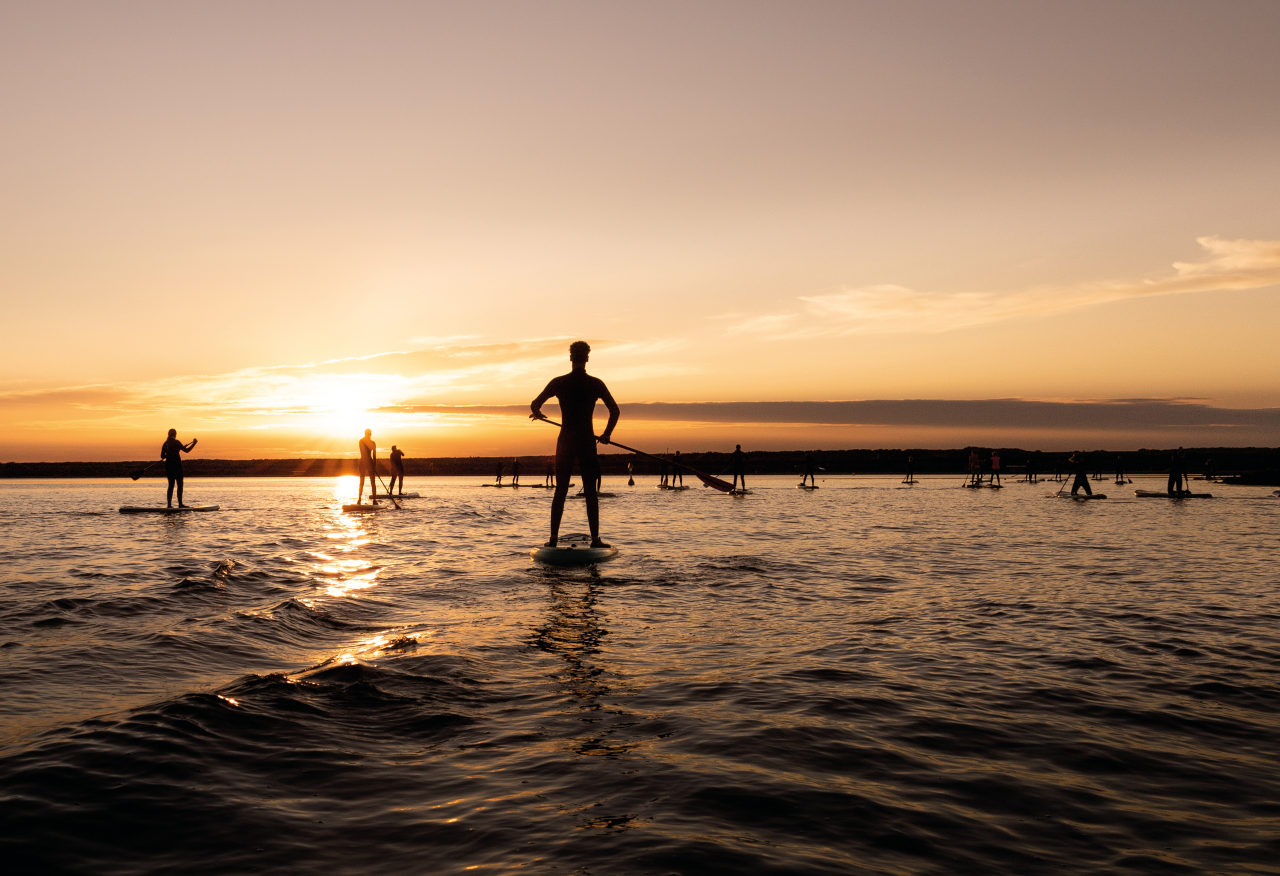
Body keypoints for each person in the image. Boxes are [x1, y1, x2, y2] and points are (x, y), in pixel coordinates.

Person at [530, 340, 620, 548]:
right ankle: (595, 540)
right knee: (590, 492)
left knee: (560, 490)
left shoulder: (559, 382)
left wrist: (538, 414)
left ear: (571, 357)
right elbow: (615, 410)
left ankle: (552, 540)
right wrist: (606, 434)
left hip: (566, 441)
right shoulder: (595, 383)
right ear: (587, 357)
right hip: (586, 441)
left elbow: (535, 404)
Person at [160, 429, 197, 507]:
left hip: (168, 466)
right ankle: (180, 504)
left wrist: (168, 455)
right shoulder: (176, 442)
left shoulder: (165, 443)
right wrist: (194, 443)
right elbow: (187, 450)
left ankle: (169, 505)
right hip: (176, 466)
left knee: (171, 485)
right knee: (179, 485)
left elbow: (162, 456)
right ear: (175, 434)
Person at [358, 429, 378, 505]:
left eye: (370, 434)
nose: (369, 435)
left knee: (373, 482)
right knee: (362, 482)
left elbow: (374, 455)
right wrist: (368, 463)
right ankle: (359, 499)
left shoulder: (373, 443)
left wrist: (374, 465)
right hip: (363, 462)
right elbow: (363, 452)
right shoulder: (361, 441)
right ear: (365, 434)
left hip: (370, 462)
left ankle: (374, 500)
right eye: (368, 434)